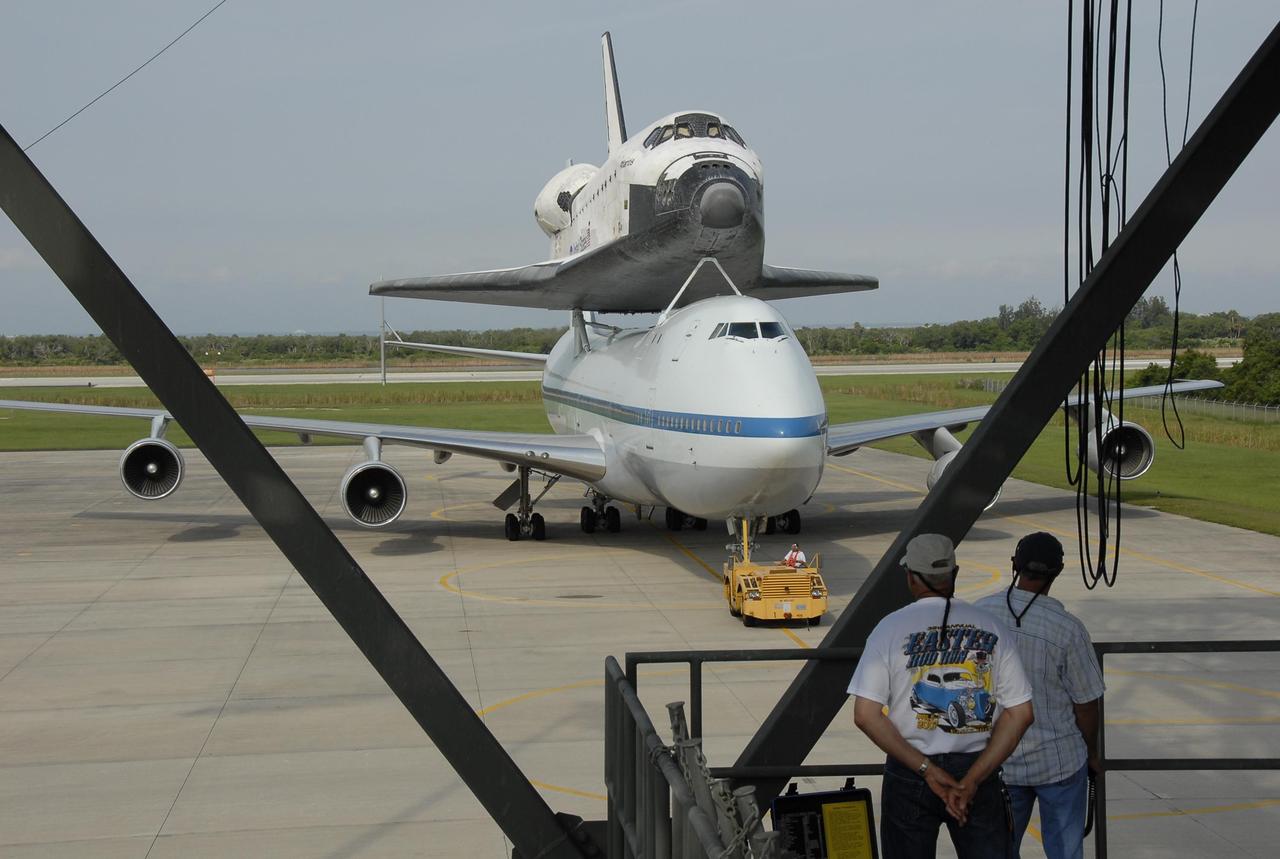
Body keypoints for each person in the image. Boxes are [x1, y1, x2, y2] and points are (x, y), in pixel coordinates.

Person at [849, 533, 1035, 859]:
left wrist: (927, 770)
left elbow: (865, 714)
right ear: (955, 573)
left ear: (911, 578)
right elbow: (1021, 713)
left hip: (910, 769)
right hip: (978, 769)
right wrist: (974, 779)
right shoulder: (991, 626)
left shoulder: (889, 628)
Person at [976, 532, 1105, 859]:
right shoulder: (1067, 629)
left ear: (1014, 566)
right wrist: (1092, 751)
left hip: (999, 762)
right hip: (1059, 762)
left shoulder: (979, 615)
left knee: (999, 850)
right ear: (1058, 572)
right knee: (1065, 851)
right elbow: (1086, 704)